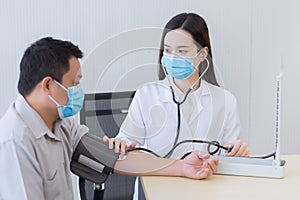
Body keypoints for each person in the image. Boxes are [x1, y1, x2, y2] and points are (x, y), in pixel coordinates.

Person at [0, 37, 218, 200]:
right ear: (48, 85)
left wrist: (181, 166)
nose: (78, 91)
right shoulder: (15, 142)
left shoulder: (60, 123)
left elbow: (111, 157)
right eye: (74, 83)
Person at [117, 12, 250, 159]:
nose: (173, 57)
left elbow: (230, 156)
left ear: (202, 54)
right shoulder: (146, 95)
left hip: (206, 179)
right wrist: (120, 145)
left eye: (182, 51)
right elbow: (125, 148)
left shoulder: (225, 101)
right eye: (167, 50)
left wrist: (238, 152)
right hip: (158, 180)